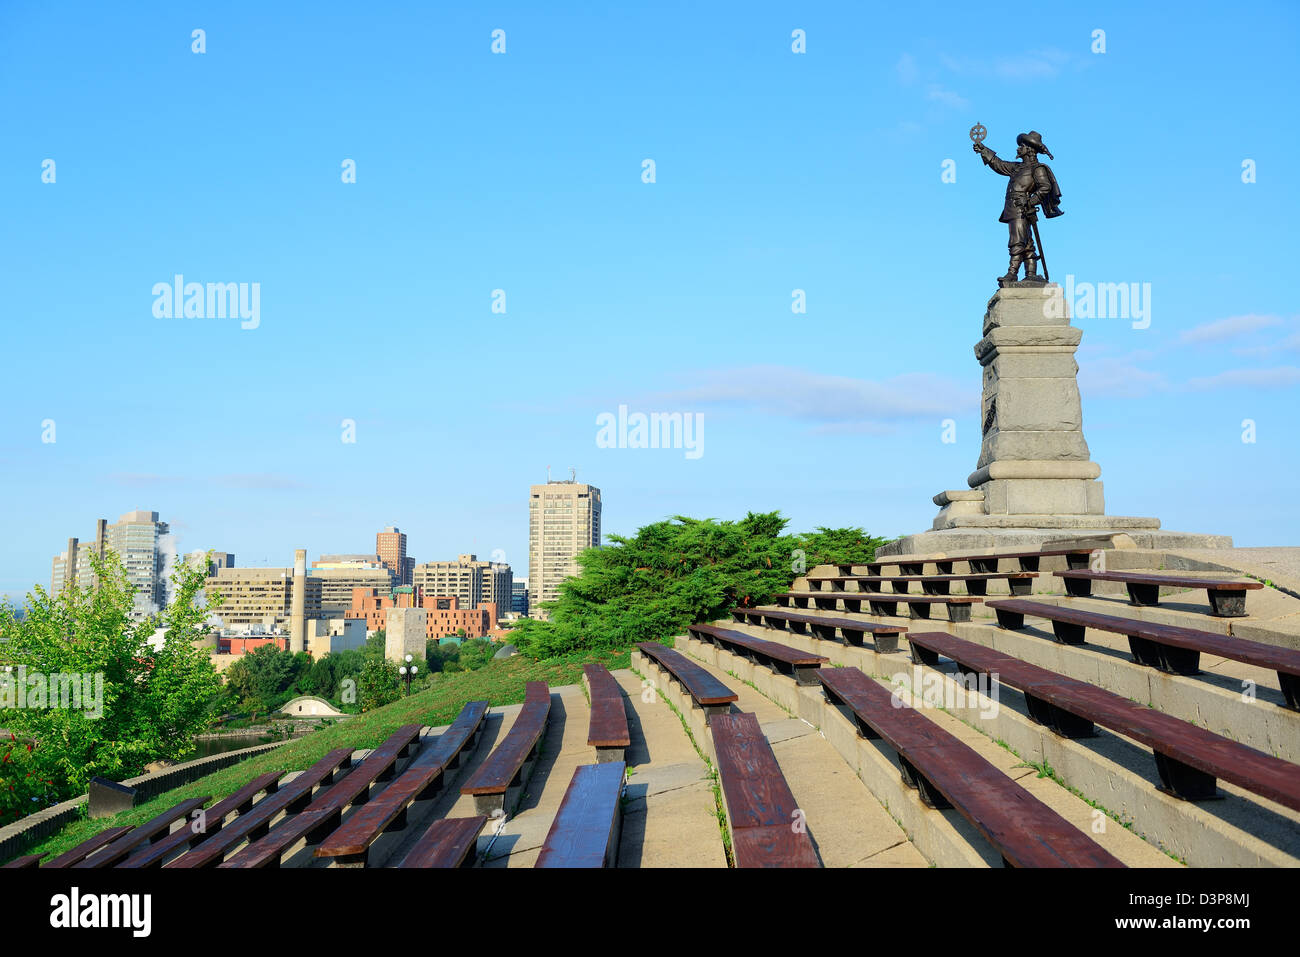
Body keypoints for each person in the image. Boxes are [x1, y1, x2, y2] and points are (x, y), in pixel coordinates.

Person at [973, 131, 1062, 285]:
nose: (1018, 148)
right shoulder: (1017, 167)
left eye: (1021, 146)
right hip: (1013, 208)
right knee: (1027, 243)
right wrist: (983, 150)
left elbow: (1045, 187)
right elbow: (999, 165)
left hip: (1022, 209)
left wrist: (1030, 201)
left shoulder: (1037, 168)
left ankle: (1012, 273)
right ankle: (1031, 274)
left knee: (1017, 241)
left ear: (1029, 149)